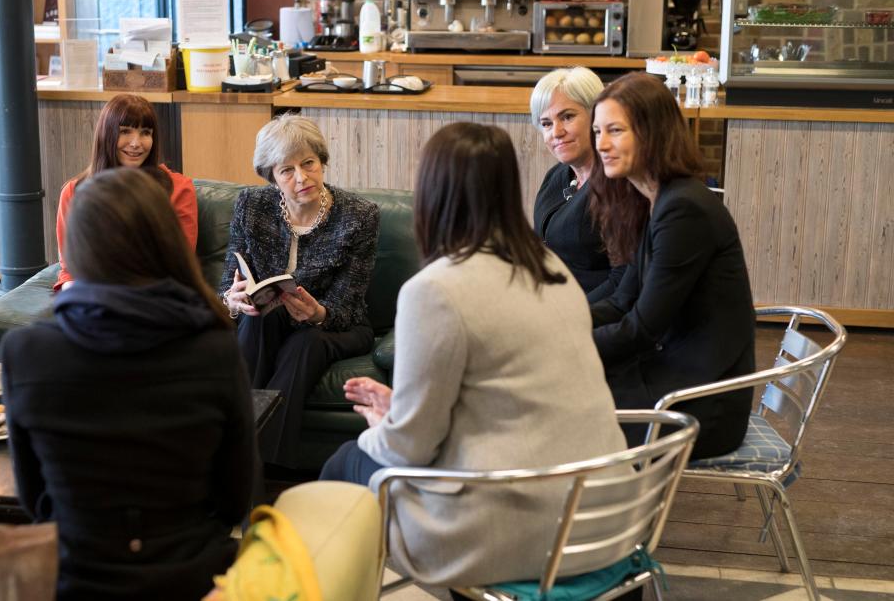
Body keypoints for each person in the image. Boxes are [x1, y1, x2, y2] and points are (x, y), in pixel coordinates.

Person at [320, 122, 626, 587]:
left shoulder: (436, 290)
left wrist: (388, 425)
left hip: (518, 529)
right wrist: (403, 411)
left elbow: (410, 447)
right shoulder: (548, 268)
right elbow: (508, 401)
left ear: (431, 193)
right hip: (606, 515)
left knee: (347, 461)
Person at [1, 168, 259, 600]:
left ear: (77, 246)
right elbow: (235, 497)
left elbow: (33, 498)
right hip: (191, 578)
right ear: (164, 239)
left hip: (75, 578)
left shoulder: (25, 351)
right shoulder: (212, 344)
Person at [589, 72, 755, 459]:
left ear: (652, 133)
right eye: (598, 131)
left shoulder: (684, 209)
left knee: (558, 408)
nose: (601, 145)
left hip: (701, 403)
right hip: (675, 377)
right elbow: (620, 302)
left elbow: (643, 329)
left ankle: (602, 515)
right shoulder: (655, 201)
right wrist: (557, 321)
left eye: (615, 130)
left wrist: (564, 346)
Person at [220, 114, 380, 468]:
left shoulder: (359, 215)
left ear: (322, 161)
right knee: (259, 319)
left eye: (308, 163)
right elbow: (230, 281)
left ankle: (243, 464)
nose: (302, 177)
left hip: (338, 325)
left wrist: (318, 313)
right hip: (270, 320)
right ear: (272, 177)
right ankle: (243, 459)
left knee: (306, 343)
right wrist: (232, 301)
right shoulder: (251, 206)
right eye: (287, 170)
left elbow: (349, 302)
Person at [54, 93, 198, 291]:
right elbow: (70, 267)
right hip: (94, 296)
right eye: (126, 131)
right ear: (107, 135)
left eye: (145, 132)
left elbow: (180, 263)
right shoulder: (74, 191)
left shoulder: (178, 188)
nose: (136, 143)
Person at [531, 67, 631, 302]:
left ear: (597, 116)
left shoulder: (617, 184)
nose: (556, 132)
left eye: (567, 117)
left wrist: (569, 316)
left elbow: (623, 280)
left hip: (595, 317)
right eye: (546, 123)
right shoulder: (556, 176)